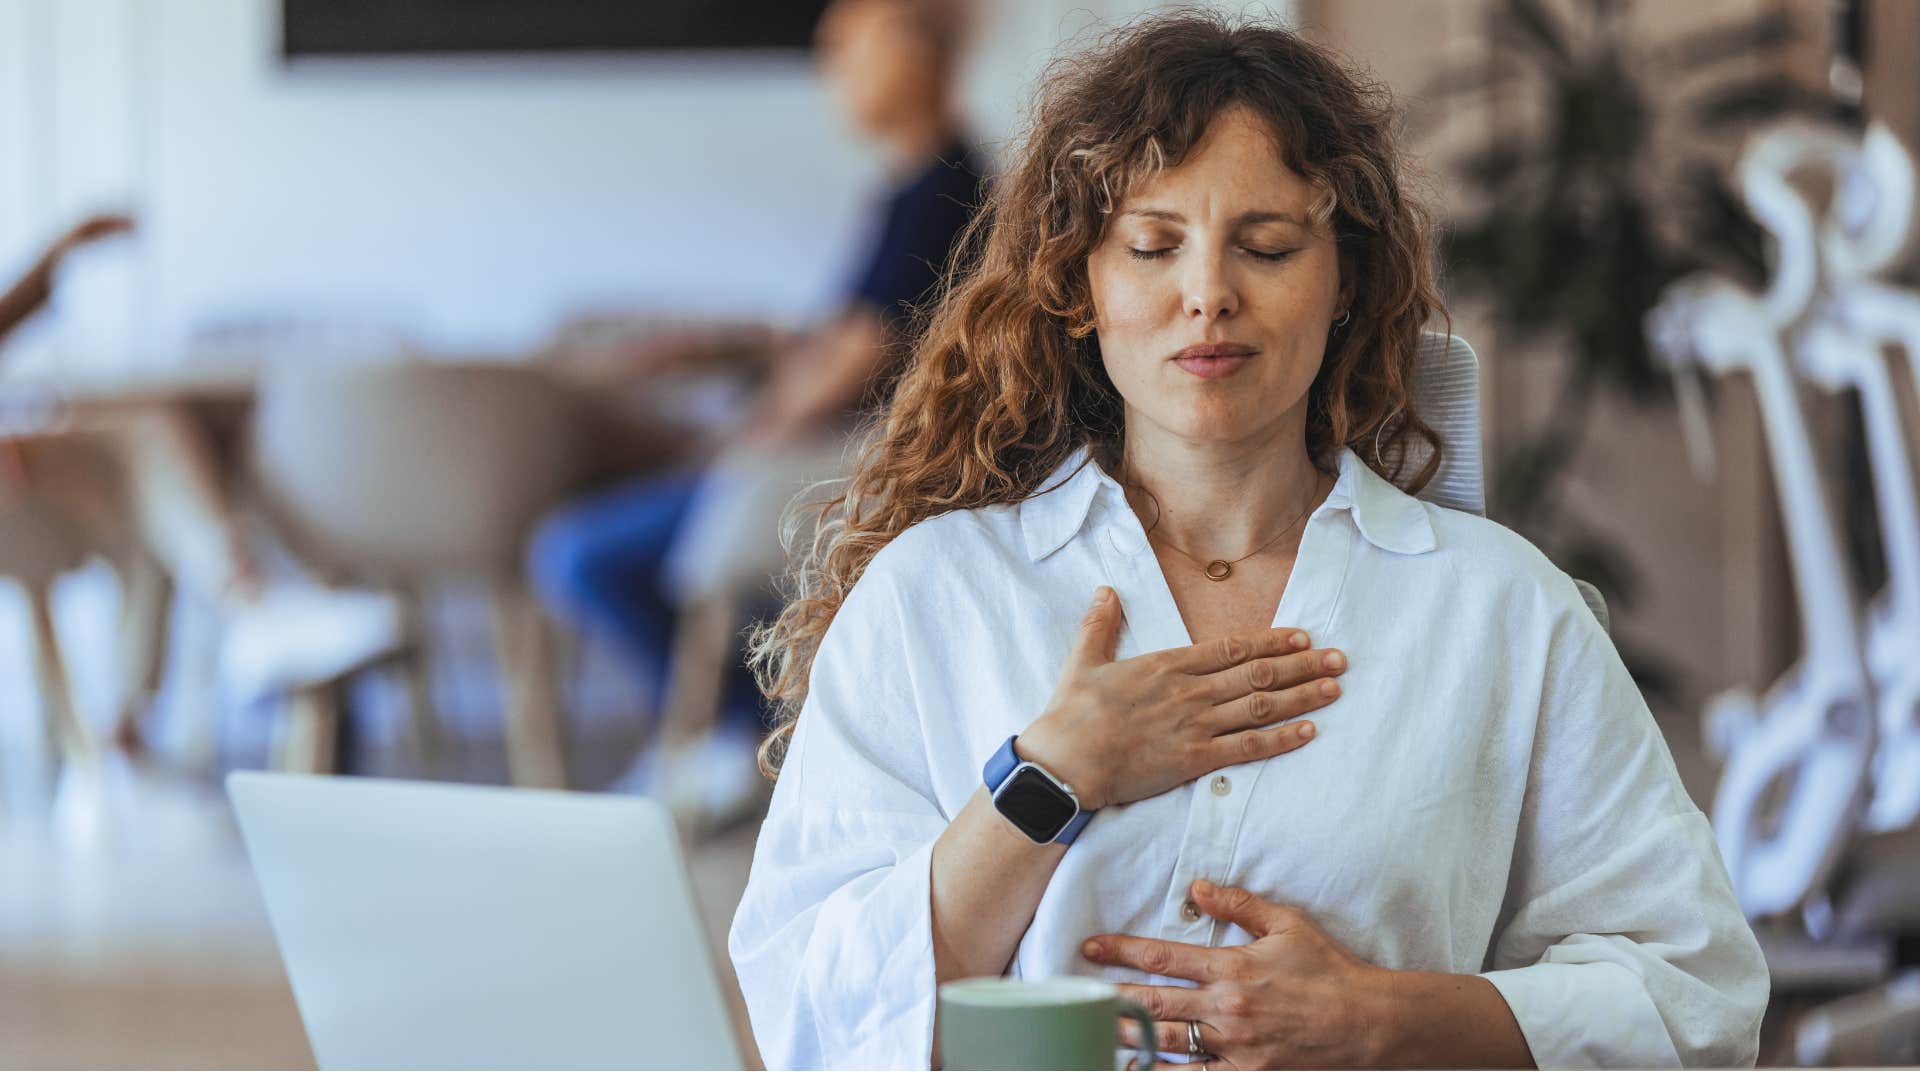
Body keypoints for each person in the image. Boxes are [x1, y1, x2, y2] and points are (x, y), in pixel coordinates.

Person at [727, 11, 1768, 1070]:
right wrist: (1051, 776)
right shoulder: (937, 596)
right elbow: (805, 1009)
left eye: (1267, 247)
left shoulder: (1501, 610)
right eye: (1153, 244)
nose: (1209, 295)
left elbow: (1697, 991)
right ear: (1080, 284)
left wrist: (1383, 1019)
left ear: (1346, 281)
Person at [527, 0, 989, 824]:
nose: (832, 71)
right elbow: (854, 329)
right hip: (816, 463)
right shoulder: (920, 187)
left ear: (916, 53)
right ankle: (739, 736)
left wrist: (746, 437)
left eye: (846, 48)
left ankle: (734, 734)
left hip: (831, 472)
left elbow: (859, 358)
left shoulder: (942, 189)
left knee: (578, 553)